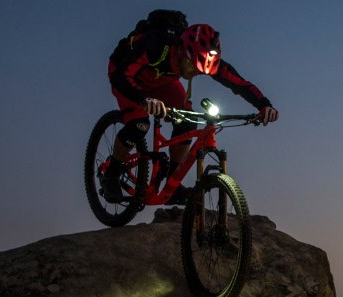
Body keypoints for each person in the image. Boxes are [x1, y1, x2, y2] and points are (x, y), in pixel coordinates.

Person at [102, 15, 279, 204]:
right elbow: (121, 76)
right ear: (182, 50)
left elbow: (240, 84)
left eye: (201, 71)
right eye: (193, 67)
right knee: (139, 125)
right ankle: (111, 173)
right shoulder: (155, 44)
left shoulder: (206, 60)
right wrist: (143, 99)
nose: (195, 73)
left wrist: (264, 105)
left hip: (162, 81)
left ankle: (173, 184)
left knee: (187, 121)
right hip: (128, 76)